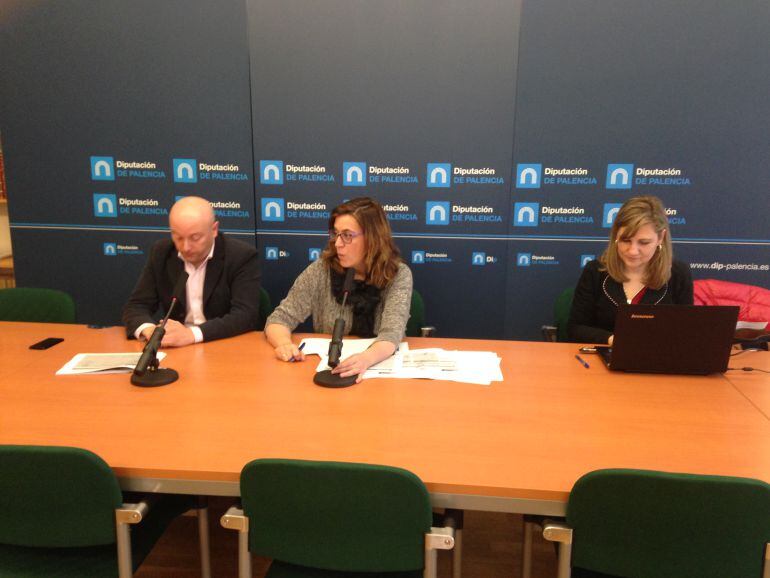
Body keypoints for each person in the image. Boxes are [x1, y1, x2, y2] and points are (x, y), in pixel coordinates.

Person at [265, 197, 412, 382]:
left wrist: (365, 359)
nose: (337, 243)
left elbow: (391, 334)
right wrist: (284, 344)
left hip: (378, 373)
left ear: (373, 238)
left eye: (347, 235)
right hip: (328, 370)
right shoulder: (322, 270)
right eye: (336, 234)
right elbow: (278, 320)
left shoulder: (397, 274)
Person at [122, 196, 260, 347]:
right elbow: (137, 306)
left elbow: (245, 315)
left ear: (214, 230)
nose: (185, 247)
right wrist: (150, 331)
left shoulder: (240, 256)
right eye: (178, 237)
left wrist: (191, 334)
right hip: (176, 348)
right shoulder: (162, 252)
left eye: (195, 238)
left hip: (220, 344)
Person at [567, 195, 693, 344]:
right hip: (603, 358)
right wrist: (614, 340)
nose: (633, 251)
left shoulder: (678, 274)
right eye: (625, 240)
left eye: (644, 242)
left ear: (660, 238)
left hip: (658, 361)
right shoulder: (596, 271)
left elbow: (686, 332)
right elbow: (575, 328)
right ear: (615, 236)